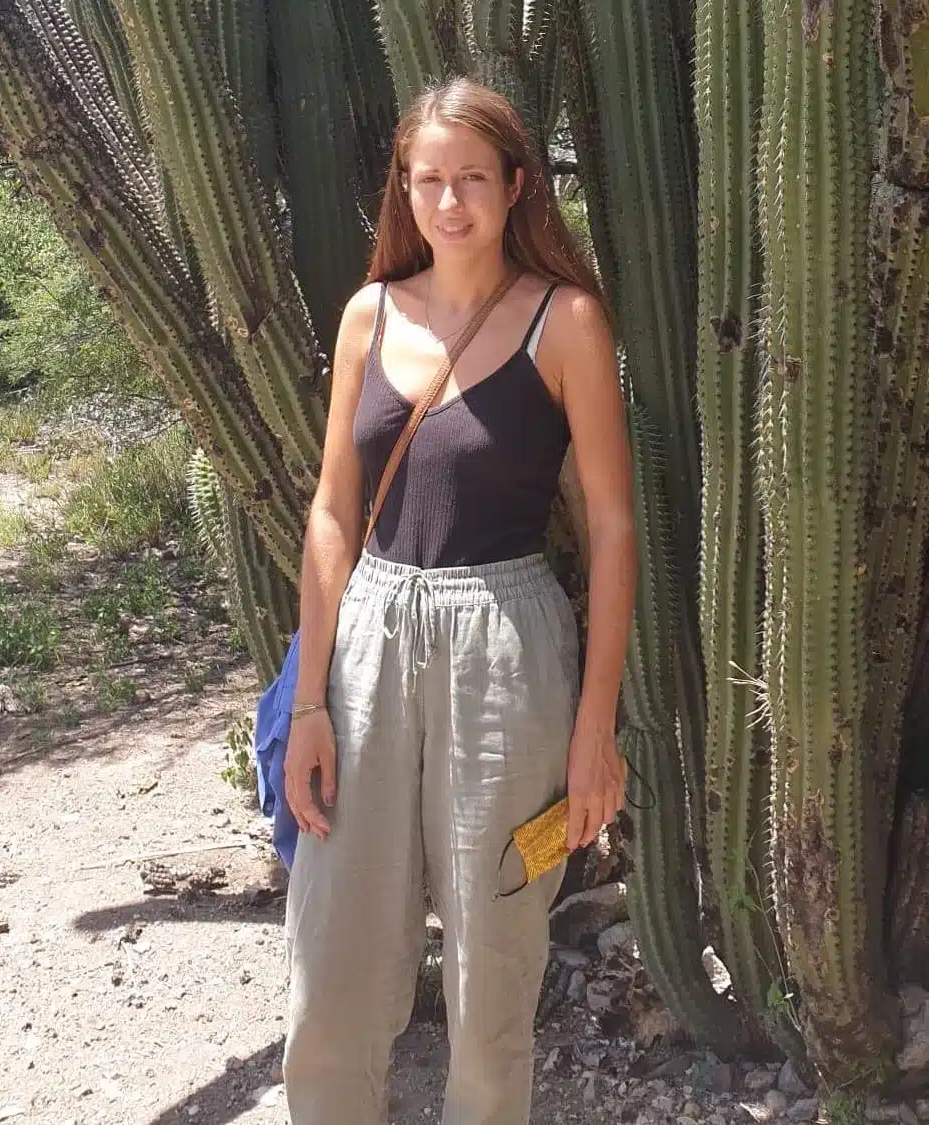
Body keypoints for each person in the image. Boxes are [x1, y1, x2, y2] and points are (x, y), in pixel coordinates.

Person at [281, 76, 636, 1125]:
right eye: (427, 178)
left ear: (516, 184)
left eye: (472, 178)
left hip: (509, 647)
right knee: (333, 956)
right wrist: (311, 701)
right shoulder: (368, 314)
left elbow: (612, 526)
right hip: (367, 644)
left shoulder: (566, 321)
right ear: (403, 187)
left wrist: (595, 730)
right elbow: (333, 512)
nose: (448, 202)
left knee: (494, 965)